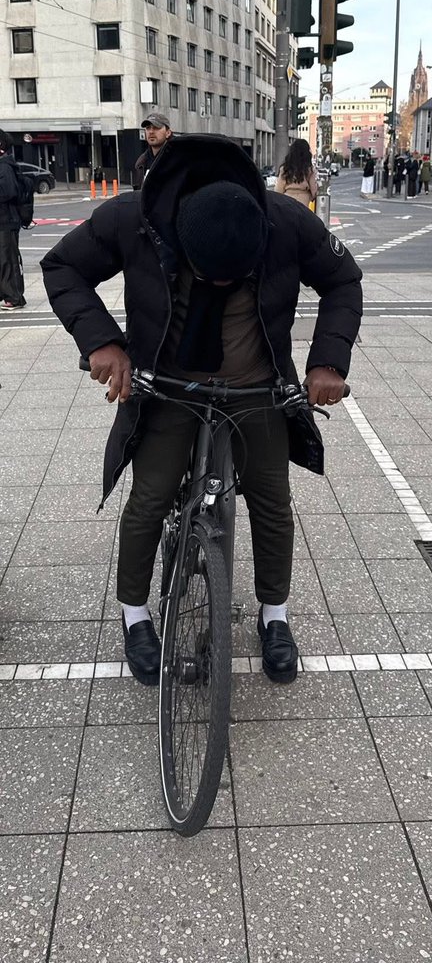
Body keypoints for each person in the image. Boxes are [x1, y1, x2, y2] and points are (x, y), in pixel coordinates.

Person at [41, 135, 363, 687]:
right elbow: (62, 267)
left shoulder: (285, 220)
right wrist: (101, 342)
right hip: (168, 383)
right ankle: (136, 615)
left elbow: (343, 279)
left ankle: (275, 616)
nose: (219, 285)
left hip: (257, 386)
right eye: (207, 274)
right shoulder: (134, 217)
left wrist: (327, 362)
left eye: (233, 277)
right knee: (150, 497)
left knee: (272, 500)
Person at [0, 130, 33, 310]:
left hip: (6, 221)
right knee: (4, 259)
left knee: (8, 259)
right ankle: (8, 294)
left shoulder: (4, 166)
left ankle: (14, 297)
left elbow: (9, 191)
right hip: (4, 221)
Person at [133, 112, 173, 190]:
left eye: (156, 127)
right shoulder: (141, 163)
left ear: (168, 133)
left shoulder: (177, 158)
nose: (151, 131)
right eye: (148, 128)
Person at [275, 138, 318, 208]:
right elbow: (314, 191)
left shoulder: (285, 169)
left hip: (287, 201)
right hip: (303, 202)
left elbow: (278, 190)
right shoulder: (309, 170)